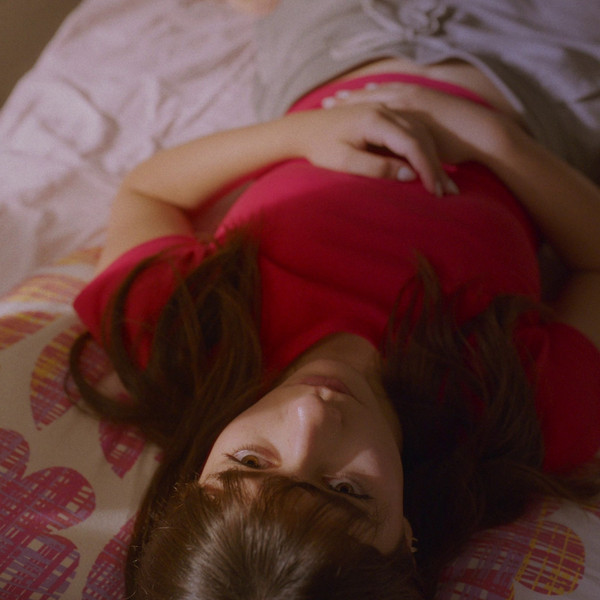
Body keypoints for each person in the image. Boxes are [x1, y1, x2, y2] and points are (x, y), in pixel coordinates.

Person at [69, 1, 600, 598]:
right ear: (404, 538)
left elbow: (147, 192)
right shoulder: (520, 418)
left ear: (194, 476)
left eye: (249, 462)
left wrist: (300, 134)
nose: (312, 414)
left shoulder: (177, 340)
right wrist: (494, 140)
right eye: (347, 490)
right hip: (541, 86)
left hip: (334, 52)